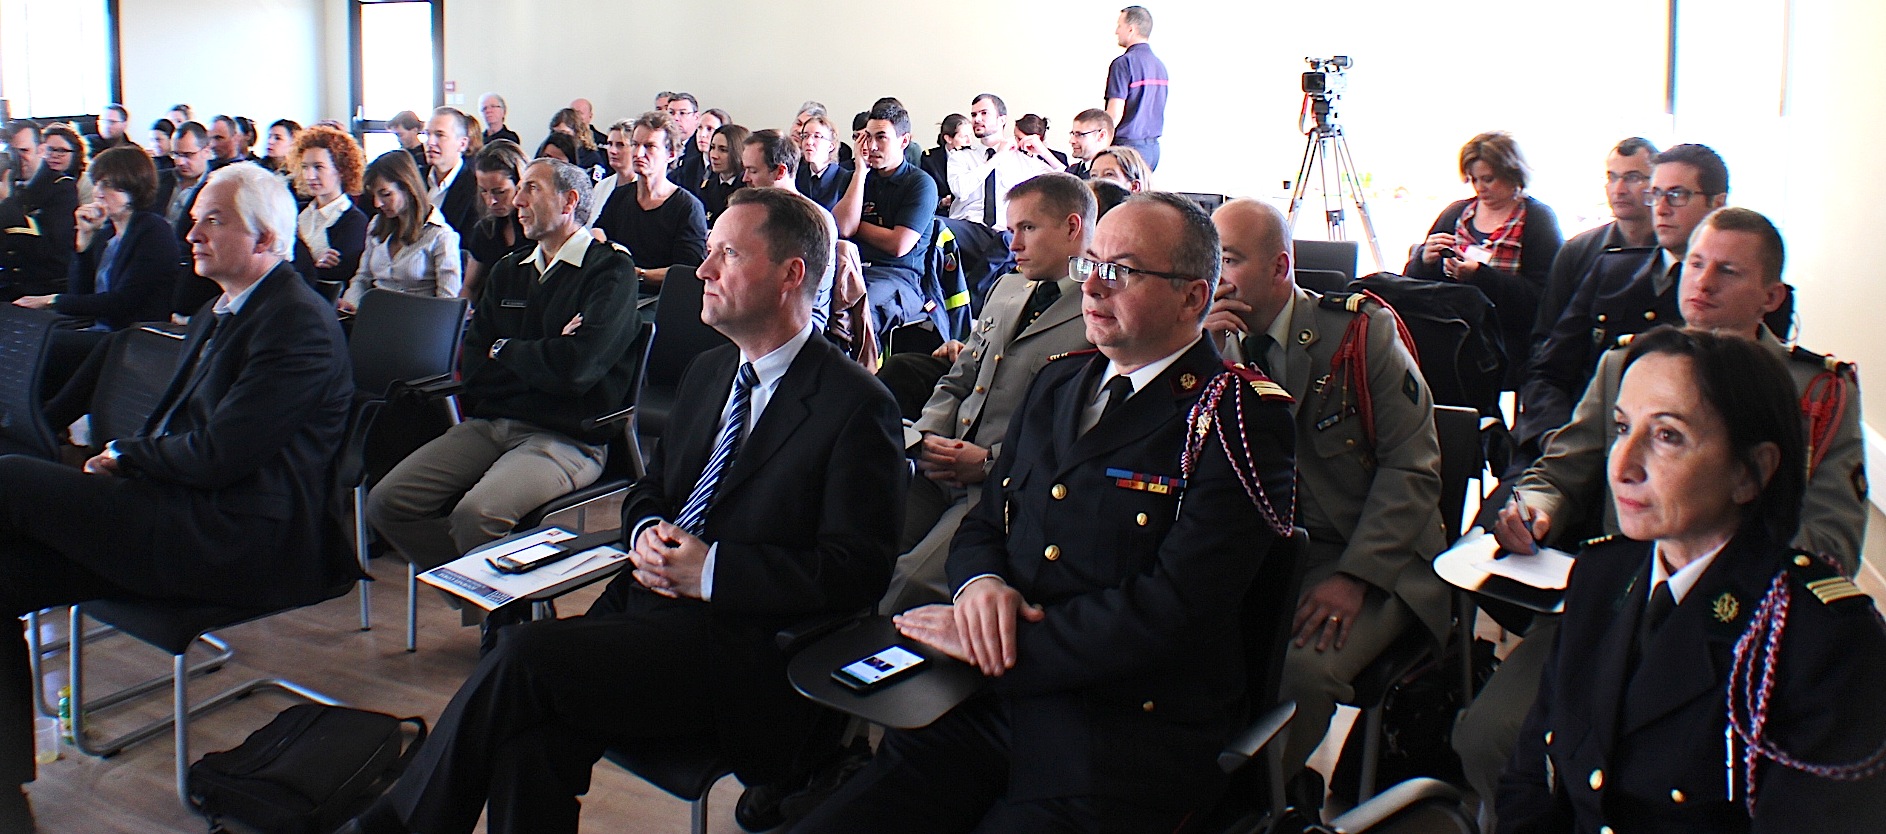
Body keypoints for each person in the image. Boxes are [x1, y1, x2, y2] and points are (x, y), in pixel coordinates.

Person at [342, 186, 902, 834]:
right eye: (710, 250)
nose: (705, 270)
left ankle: (389, 828)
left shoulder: (856, 406)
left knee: (523, 657)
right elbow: (650, 488)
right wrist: (642, 532)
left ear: (790, 274)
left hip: (744, 648)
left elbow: (856, 572)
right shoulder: (710, 372)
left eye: (727, 253)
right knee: (532, 739)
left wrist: (712, 571)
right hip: (645, 611)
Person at [797, 191, 1296, 833]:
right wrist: (980, 587)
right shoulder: (1061, 381)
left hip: (1119, 738)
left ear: (1194, 298)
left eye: (1123, 272)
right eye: (1091, 264)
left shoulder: (1235, 417)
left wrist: (1005, 643)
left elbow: (1176, 612)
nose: (1092, 288)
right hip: (988, 706)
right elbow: (988, 519)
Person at [1455, 209, 1869, 827]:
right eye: (1695, 263)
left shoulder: (1814, 391)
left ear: (1771, 296)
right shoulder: (1633, 367)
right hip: (1616, 597)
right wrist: (1534, 509)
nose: (1700, 283)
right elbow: (1563, 466)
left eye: (1727, 271)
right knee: (1490, 738)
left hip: (1742, 622)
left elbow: (1831, 538)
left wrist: (1715, 565)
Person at [0, 162, 354, 830]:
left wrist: (127, 457)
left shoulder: (296, 323)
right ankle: (4, 794)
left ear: (267, 239)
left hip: (244, 538)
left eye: (213, 220)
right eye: (193, 218)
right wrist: (128, 465)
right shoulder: (221, 308)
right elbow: (185, 435)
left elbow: (222, 454)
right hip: (180, 512)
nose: (192, 232)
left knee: (13, 478)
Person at [1206, 198, 1448, 789]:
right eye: (1212, 260)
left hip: (1368, 552)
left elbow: (1412, 467)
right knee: (1187, 640)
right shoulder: (1210, 339)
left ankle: (1262, 799)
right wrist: (1200, 359)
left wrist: (1357, 576)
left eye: (1230, 260)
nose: (1216, 278)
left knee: (1300, 673)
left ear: (1280, 267)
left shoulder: (1359, 334)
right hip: (1269, 549)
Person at [363, 158, 640, 593]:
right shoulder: (510, 270)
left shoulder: (609, 271)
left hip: (568, 436)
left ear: (569, 201)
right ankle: (490, 591)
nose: (518, 200)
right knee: (386, 504)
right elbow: (474, 368)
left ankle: (499, 618)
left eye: (532, 189)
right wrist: (540, 353)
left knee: (476, 515)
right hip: (493, 425)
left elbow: (578, 371)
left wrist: (506, 350)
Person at [878, 173, 1098, 612]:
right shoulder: (1009, 287)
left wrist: (989, 463)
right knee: (863, 539)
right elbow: (960, 378)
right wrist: (927, 441)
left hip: (1003, 486)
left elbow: (1079, 429)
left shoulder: (1101, 308)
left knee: (907, 585)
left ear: (1073, 227)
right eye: (1010, 230)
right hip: (941, 463)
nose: (1012, 244)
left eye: (1027, 229)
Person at [1520, 143, 1751, 446]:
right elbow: (1549, 371)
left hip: (1675, 457)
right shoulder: (1610, 270)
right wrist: (1555, 439)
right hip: (1578, 442)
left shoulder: (1745, 290)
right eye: (1656, 194)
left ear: (1717, 203)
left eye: (1678, 195)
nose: (1662, 208)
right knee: (1519, 494)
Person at [1403, 131, 1563, 390]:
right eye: (1474, 180)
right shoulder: (1456, 213)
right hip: (1451, 331)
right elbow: (1413, 286)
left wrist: (1480, 276)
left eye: (1488, 179)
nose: (1480, 188)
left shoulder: (1537, 219)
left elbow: (1542, 299)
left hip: (1507, 339)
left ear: (1513, 175)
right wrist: (1425, 260)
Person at [14, 147, 180, 391]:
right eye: (98, 184)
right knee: (28, 335)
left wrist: (50, 300)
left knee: (42, 343)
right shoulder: (108, 233)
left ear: (133, 189)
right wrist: (83, 243)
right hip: (103, 331)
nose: (98, 193)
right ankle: (39, 420)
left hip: (131, 336)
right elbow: (82, 295)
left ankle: (41, 421)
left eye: (109, 185)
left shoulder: (153, 231)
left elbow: (121, 303)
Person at [834, 100, 936, 338]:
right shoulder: (852, 178)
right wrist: (860, 172)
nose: (872, 145)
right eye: (867, 137)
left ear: (904, 141)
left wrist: (857, 225)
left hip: (899, 277)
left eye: (881, 137)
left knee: (855, 315)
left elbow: (898, 245)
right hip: (853, 269)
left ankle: (864, 373)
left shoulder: (920, 183)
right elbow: (841, 229)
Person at [592, 111, 707, 292]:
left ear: (671, 154)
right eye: (635, 144)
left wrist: (638, 273)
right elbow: (600, 228)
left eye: (649, 146)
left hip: (658, 297)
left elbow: (685, 271)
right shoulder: (621, 195)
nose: (638, 153)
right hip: (616, 288)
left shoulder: (687, 207)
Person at [741, 129, 839, 334]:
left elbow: (802, 290)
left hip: (801, 318)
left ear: (780, 171)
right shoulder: (752, 212)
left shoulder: (814, 220)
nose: (745, 178)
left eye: (753, 171)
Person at [340, 151, 461, 313]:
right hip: (376, 318)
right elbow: (362, 277)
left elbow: (448, 302)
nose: (377, 203)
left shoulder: (440, 235)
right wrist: (350, 305)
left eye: (386, 194)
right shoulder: (376, 224)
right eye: (374, 196)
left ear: (408, 188)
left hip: (418, 323)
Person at [1, 122, 77, 298]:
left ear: (41, 150)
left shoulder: (61, 188)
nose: (16, 160)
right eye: (9, 153)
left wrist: (6, 202)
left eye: (23, 151)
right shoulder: (10, 187)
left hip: (43, 289)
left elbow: (50, 251)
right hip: (9, 285)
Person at [289, 125, 369, 292]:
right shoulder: (297, 212)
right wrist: (314, 262)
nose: (310, 176)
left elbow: (338, 273)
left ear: (341, 170)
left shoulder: (354, 221)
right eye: (305, 167)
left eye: (318, 167)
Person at [463, 140, 533, 301]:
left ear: (520, 184)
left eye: (500, 192)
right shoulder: (485, 229)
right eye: (484, 191)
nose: (490, 201)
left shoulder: (540, 229)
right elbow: (469, 287)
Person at [1105, 5, 1169, 169]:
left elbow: (1114, 114)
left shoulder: (1123, 63)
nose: (1116, 31)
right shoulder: (1159, 66)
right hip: (1153, 150)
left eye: (1120, 26)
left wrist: (1100, 146)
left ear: (1131, 29)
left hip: (1127, 149)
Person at [424, 107, 480, 241]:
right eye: (427, 134)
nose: (430, 142)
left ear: (462, 144)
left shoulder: (475, 187)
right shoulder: (415, 178)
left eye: (440, 135)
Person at [699, 122, 750, 226]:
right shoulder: (707, 187)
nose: (714, 155)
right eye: (712, 147)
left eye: (723, 150)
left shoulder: (748, 188)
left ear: (738, 152)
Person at [920, 114, 972, 213]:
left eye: (970, 136)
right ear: (948, 138)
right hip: (941, 214)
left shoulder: (973, 157)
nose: (969, 141)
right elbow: (925, 191)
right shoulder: (930, 158)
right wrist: (941, 201)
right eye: (963, 137)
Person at [794, 111, 843, 211]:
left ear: (831, 146)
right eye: (805, 136)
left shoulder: (845, 178)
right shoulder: (796, 173)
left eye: (816, 136)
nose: (808, 142)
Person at [546, 107, 606, 182]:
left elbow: (595, 187)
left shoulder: (591, 158)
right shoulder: (547, 151)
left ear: (577, 132)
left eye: (564, 133)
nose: (558, 137)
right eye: (555, 133)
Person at [662, 93, 707, 192]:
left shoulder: (701, 149)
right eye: (671, 113)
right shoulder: (661, 145)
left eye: (682, 113)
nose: (675, 118)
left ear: (696, 117)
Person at [1066, 109, 1115, 179]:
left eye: (1079, 134)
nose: (1071, 141)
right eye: (1073, 134)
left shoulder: (1111, 178)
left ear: (1101, 136)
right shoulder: (1071, 171)